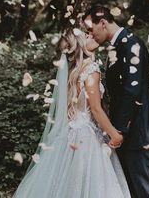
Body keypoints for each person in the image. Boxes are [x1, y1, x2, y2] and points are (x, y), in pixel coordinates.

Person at [12, 29, 131, 198]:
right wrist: (114, 135)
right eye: (86, 36)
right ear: (81, 46)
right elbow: (96, 109)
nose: (91, 35)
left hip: (71, 133)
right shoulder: (91, 70)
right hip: (87, 136)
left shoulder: (74, 72)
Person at [83, 5, 149, 198]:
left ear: (102, 22)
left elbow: (132, 90)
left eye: (90, 29)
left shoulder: (131, 44)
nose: (90, 34)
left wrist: (118, 130)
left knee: (146, 190)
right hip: (125, 131)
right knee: (131, 190)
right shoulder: (116, 46)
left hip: (137, 130)